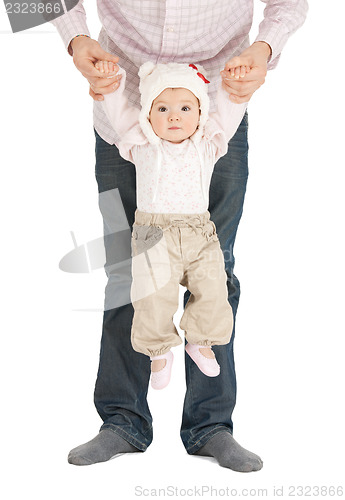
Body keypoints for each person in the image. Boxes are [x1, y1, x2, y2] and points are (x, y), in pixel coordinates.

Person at [51, 0, 308, 471]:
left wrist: (265, 47)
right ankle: (121, 421)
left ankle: (211, 425)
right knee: (125, 271)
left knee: (216, 270)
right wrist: (76, 38)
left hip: (214, 116)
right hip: (120, 117)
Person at [96, 60, 249, 389]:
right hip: (154, 235)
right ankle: (159, 350)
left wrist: (239, 88)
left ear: (200, 113)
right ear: (149, 115)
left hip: (200, 234)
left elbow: (231, 108)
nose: (174, 116)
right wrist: (108, 85)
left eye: (184, 108)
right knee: (152, 296)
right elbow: (119, 109)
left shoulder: (208, 143)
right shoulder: (141, 144)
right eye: (162, 108)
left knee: (214, 287)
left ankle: (201, 340)